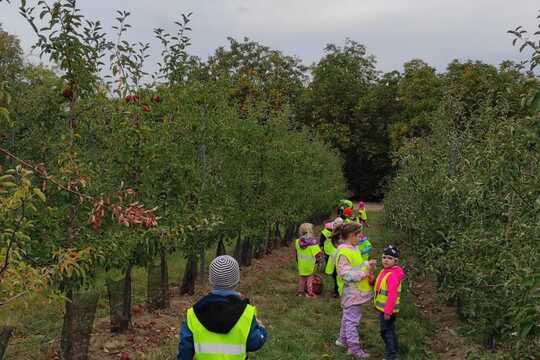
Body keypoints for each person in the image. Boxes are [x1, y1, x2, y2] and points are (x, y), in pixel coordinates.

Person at [177, 255, 267, 360]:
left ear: (210, 280)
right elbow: (254, 344)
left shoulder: (193, 314)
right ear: (237, 280)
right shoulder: (246, 314)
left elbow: (185, 350)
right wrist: (262, 330)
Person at [335, 222, 376, 359]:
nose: (361, 237)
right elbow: (346, 274)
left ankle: (342, 340)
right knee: (353, 320)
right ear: (352, 236)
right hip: (351, 292)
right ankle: (354, 348)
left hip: (355, 291)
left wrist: (366, 265)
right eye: (359, 235)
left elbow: (356, 266)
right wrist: (365, 273)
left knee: (347, 316)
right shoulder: (344, 252)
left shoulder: (353, 248)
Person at [374, 245, 405, 360]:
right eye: (384, 257)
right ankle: (395, 350)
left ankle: (391, 355)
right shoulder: (386, 271)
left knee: (385, 332)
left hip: (388, 311)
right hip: (385, 309)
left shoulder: (392, 275)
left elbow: (392, 295)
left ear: (395, 261)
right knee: (389, 330)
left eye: (390, 258)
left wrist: (387, 311)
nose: (386, 260)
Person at [294, 223, 324, 298]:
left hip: (301, 264)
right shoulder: (313, 243)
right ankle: (310, 293)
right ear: (310, 231)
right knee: (309, 279)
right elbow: (318, 254)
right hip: (310, 264)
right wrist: (320, 262)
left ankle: (300, 292)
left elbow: (297, 252)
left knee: (302, 278)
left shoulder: (297, 242)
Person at [321, 217, 343, 297]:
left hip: (334, 254)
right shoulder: (342, 235)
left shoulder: (342, 234)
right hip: (332, 254)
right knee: (337, 274)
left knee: (337, 274)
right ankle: (338, 290)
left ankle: (337, 291)